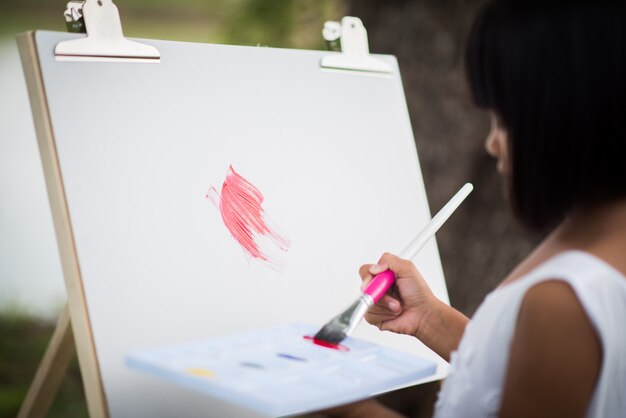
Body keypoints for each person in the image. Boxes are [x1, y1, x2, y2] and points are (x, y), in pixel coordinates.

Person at [344, 0, 626, 417]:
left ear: (565, 115)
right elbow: (525, 374)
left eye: (504, 117)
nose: (492, 141)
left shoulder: (562, 301)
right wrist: (429, 318)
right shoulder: (597, 234)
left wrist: (348, 411)